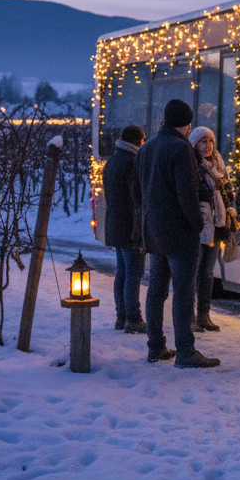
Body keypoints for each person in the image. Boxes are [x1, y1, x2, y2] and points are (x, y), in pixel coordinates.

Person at [134, 99, 220, 368]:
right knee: (183, 292)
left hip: (154, 231)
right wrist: (197, 225)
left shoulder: (146, 148)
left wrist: (147, 220)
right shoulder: (181, 148)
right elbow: (188, 194)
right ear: (187, 124)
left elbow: (137, 193)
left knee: (156, 290)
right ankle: (185, 351)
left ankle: (155, 346)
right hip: (180, 233)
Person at [189, 125, 236, 333]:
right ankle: (189, 317)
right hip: (200, 224)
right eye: (203, 141)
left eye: (210, 141)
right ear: (195, 144)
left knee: (208, 272)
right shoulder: (191, 164)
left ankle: (204, 315)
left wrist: (230, 210)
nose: (207, 146)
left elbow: (227, 189)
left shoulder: (218, 162)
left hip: (217, 223)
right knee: (193, 271)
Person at [103, 125, 146, 333]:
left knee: (122, 272)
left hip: (115, 224)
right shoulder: (132, 162)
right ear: (138, 141)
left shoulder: (112, 161)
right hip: (130, 226)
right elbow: (137, 199)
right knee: (134, 273)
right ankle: (133, 318)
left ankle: (121, 316)